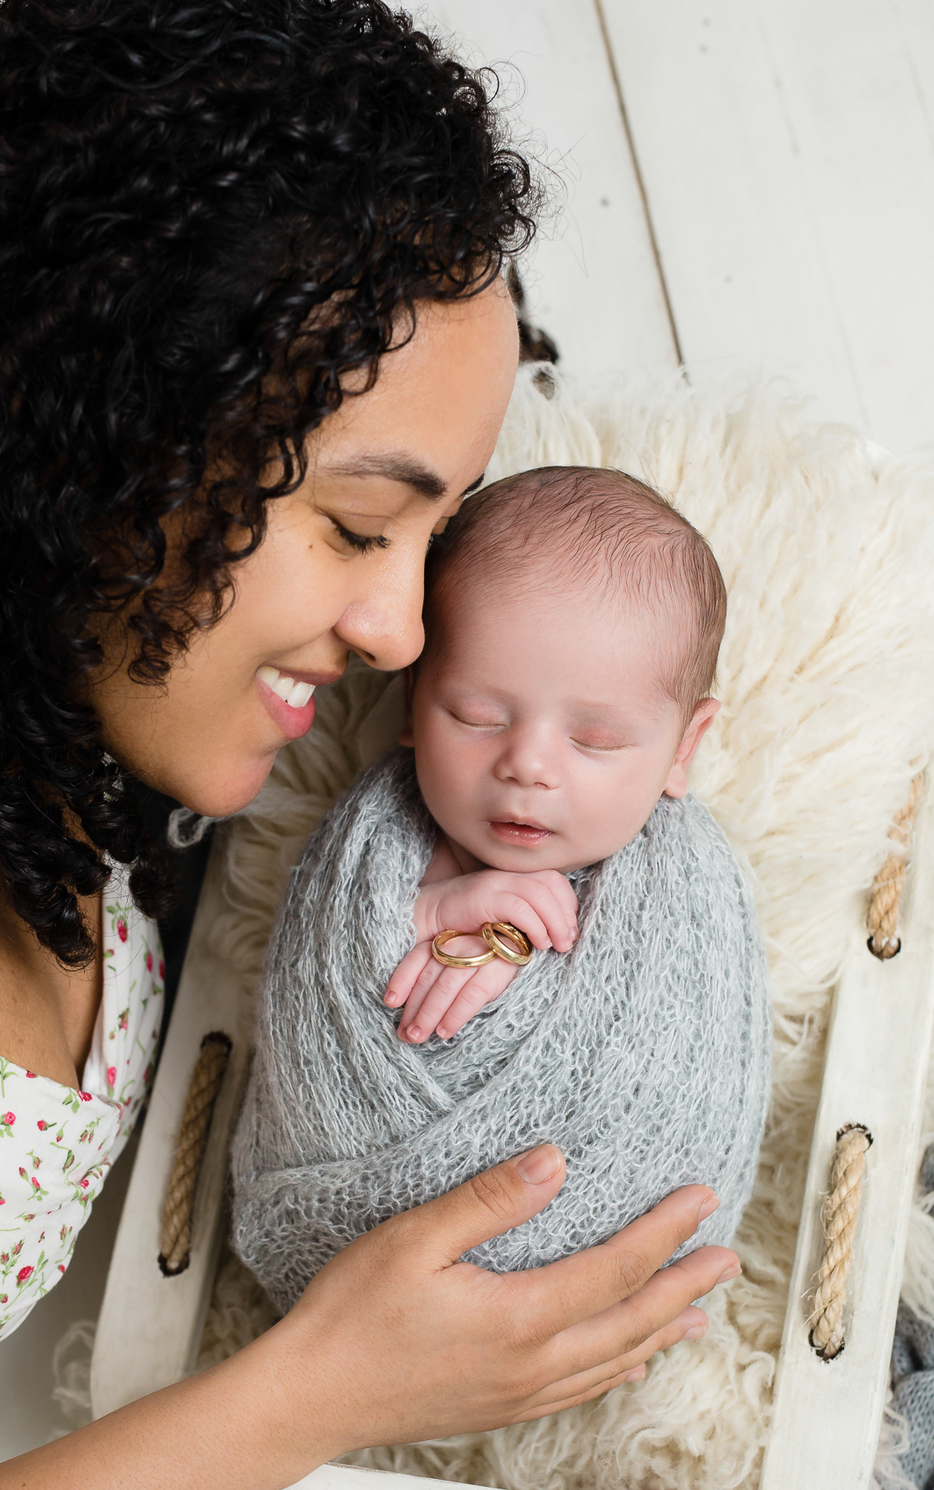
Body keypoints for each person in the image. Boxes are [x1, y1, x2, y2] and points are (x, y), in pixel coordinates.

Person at [0, 0, 740, 1490]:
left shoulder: (38, 720)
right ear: (99, 430)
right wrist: (315, 1393)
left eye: (431, 538)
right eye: (352, 526)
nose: (403, 629)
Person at [231, 465, 769, 1315]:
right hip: (354, 1294)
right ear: (413, 703)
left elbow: (697, 1074)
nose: (527, 765)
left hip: (601, 1269)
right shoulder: (376, 846)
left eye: (595, 740)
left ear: (682, 747)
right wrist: (433, 913)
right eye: (478, 717)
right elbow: (318, 984)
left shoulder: (687, 887)